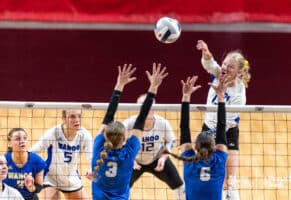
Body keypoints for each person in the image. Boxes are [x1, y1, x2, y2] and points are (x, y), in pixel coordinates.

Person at [92, 63, 168, 200]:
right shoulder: (129, 152)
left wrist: (119, 85)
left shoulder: (98, 147)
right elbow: (142, 117)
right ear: (124, 139)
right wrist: (154, 86)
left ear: (104, 135)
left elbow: (109, 115)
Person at [196, 40, 251, 200]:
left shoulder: (239, 95)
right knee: (207, 173)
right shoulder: (219, 74)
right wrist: (206, 53)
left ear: (240, 72)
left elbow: (225, 123)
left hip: (228, 131)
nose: (225, 68)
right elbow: (209, 64)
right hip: (208, 128)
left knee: (230, 182)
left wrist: (206, 136)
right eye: (224, 64)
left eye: (230, 67)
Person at [164, 74, 230, 200]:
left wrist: (186, 96)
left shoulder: (189, 159)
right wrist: (221, 96)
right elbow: (222, 126)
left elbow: (184, 127)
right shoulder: (219, 159)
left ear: (195, 147)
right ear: (215, 147)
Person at [123, 94, 185, 200]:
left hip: (157, 159)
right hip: (134, 161)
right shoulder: (128, 124)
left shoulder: (163, 123)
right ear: (138, 109)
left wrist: (163, 156)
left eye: (150, 106)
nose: (147, 109)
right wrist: (129, 158)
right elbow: (120, 144)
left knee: (179, 186)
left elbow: (171, 141)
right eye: (143, 106)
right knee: (121, 188)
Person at [30, 108, 93, 199]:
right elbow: (36, 149)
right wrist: (22, 160)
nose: (77, 120)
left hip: (70, 179)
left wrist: (92, 169)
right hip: (51, 177)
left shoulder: (84, 135)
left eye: (79, 116)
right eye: (72, 116)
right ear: (64, 118)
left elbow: (91, 156)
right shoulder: (54, 132)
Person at [4, 128, 45, 200]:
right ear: (9, 143)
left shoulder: (37, 161)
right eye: (18, 139)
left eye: (25, 138)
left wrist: (31, 187)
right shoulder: (4, 161)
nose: (22, 141)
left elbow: (39, 187)